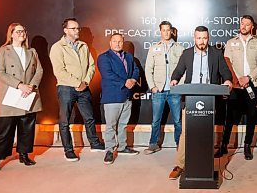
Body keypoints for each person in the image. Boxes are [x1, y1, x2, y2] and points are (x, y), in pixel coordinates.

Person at [168, 26, 232, 180]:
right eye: (199, 38)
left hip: (210, 100)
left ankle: (205, 164)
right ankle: (180, 165)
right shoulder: (187, 54)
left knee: (207, 133)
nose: (202, 41)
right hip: (190, 99)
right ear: (194, 38)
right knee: (185, 133)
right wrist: (174, 78)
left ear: (208, 38)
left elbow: (225, 72)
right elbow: (178, 71)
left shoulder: (216, 54)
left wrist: (228, 80)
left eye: (204, 38)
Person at [0, 23, 43, 174]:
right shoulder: (2, 51)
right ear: (11, 34)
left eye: (24, 31)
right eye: (18, 31)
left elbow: (39, 71)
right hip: (10, 96)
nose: (22, 33)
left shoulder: (32, 52)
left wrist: (31, 86)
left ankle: (24, 155)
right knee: (3, 130)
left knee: (27, 128)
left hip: (28, 95)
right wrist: (20, 85)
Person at [49, 18, 105, 161]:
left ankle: (94, 143)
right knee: (65, 120)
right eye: (73, 28)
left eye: (78, 28)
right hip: (66, 88)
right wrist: (76, 83)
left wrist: (85, 81)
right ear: (65, 30)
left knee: (89, 117)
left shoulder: (83, 46)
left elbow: (91, 66)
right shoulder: (57, 47)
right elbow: (59, 71)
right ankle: (68, 150)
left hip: (83, 87)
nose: (77, 31)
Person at [215, 15, 257, 160]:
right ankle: (224, 146)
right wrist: (237, 80)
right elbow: (227, 63)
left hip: (252, 84)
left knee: (251, 117)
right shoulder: (231, 43)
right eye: (242, 23)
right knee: (229, 118)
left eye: (247, 24)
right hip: (235, 87)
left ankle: (247, 147)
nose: (243, 26)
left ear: (252, 27)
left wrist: (248, 78)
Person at [97, 33, 140, 165]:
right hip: (112, 97)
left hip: (126, 96)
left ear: (123, 42)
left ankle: (122, 147)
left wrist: (133, 79)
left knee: (123, 124)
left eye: (120, 41)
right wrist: (125, 82)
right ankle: (109, 150)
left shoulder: (128, 56)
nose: (117, 44)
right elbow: (107, 74)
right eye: (115, 41)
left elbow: (136, 70)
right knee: (111, 126)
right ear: (110, 43)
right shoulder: (103, 57)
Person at [144, 21, 184, 154]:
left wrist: (180, 85)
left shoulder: (179, 48)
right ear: (160, 31)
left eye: (168, 30)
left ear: (171, 31)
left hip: (174, 91)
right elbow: (148, 69)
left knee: (178, 121)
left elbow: (184, 69)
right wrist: (152, 87)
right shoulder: (154, 48)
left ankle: (180, 145)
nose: (166, 32)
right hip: (159, 91)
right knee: (156, 120)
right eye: (163, 30)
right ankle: (153, 144)